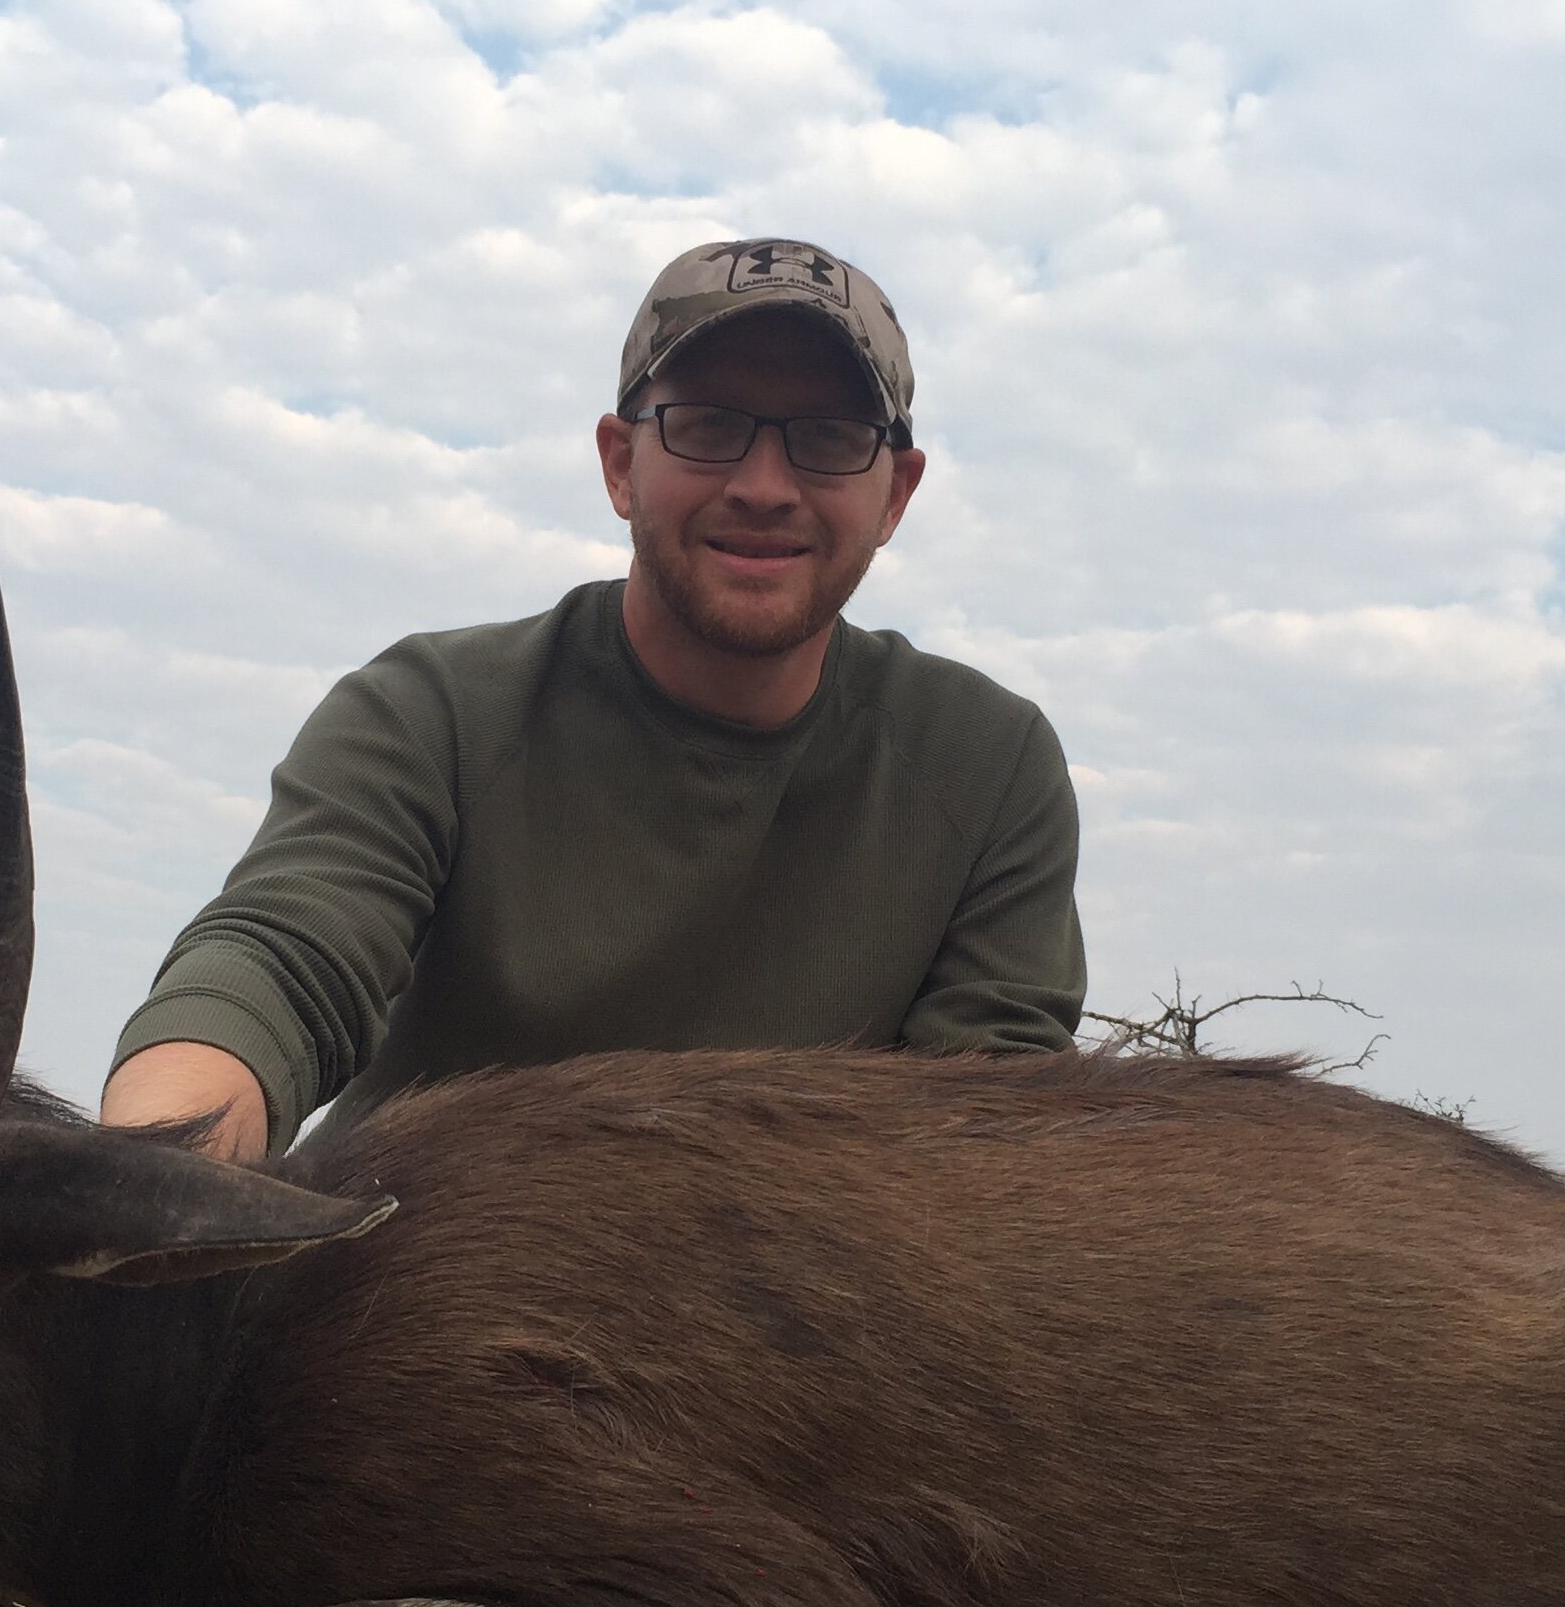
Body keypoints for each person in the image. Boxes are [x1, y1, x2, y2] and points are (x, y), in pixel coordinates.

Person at [98, 236, 1088, 1159]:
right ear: (622, 464)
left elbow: (982, 1147)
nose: (764, 484)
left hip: (813, 1325)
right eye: (706, 426)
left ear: (896, 495)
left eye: (829, 439)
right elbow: (281, 957)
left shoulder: (991, 769)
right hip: (399, 1310)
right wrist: (158, 1172)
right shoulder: (427, 712)